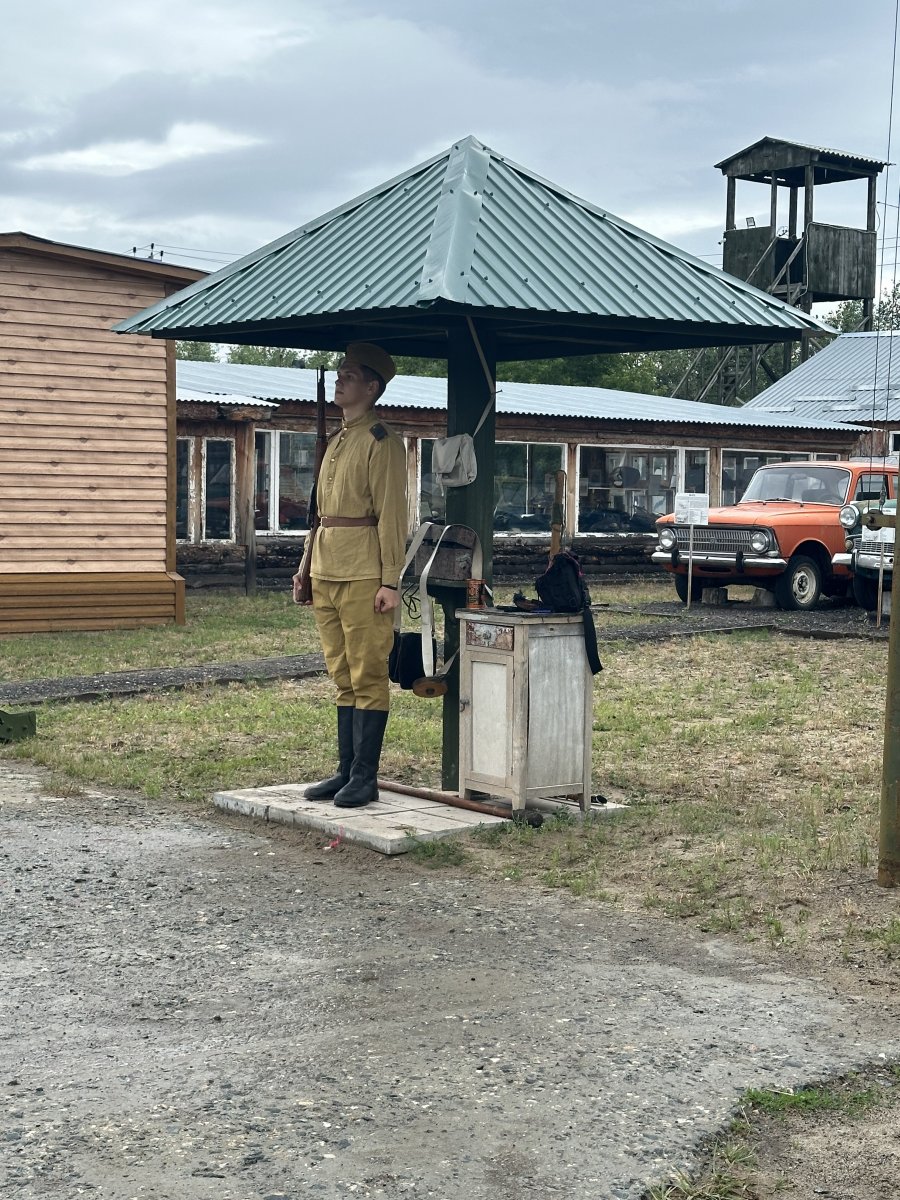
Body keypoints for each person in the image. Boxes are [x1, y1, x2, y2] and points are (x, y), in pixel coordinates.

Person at [294, 343, 407, 808]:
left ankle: (366, 776)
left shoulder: (382, 442)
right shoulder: (338, 440)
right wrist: (304, 569)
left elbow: (392, 516)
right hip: (326, 569)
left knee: (367, 674)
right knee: (342, 676)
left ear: (371, 387)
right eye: (338, 374)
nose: (339, 381)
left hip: (364, 574)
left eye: (348, 375)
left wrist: (390, 581)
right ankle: (345, 771)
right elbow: (319, 516)